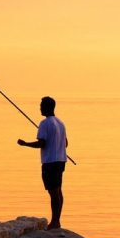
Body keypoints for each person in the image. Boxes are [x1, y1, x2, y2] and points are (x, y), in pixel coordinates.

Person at [17, 96, 68, 230]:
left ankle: (55, 222)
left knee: (53, 193)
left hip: (50, 162)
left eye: (41, 105)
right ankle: (57, 220)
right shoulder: (61, 123)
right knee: (58, 191)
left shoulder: (44, 123)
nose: (40, 107)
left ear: (47, 107)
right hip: (61, 161)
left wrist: (25, 144)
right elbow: (66, 143)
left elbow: (42, 143)